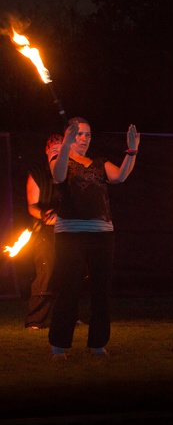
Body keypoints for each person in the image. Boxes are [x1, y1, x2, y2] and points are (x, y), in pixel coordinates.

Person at [48, 117, 139, 360]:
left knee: (101, 289)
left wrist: (132, 151)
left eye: (87, 134)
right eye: (78, 134)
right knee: (69, 288)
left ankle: (98, 344)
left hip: (101, 233)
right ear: (68, 135)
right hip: (70, 233)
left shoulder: (99, 163)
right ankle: (58, 345)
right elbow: (58, 176)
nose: (84, 138)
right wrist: (65, 146)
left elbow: (119, 177)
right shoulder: (59, 157)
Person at [24, 134, 62, 330]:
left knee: (71, 273)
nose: (56, 152)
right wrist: (44, 214)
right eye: (53, 149)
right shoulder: (38, 174)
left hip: (69, 230)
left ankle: (68, 316)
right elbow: (32, 205)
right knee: (46, 271)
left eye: (61, 149)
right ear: (47, 151)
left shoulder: (73, 173)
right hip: (45, 231)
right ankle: (35, 320)